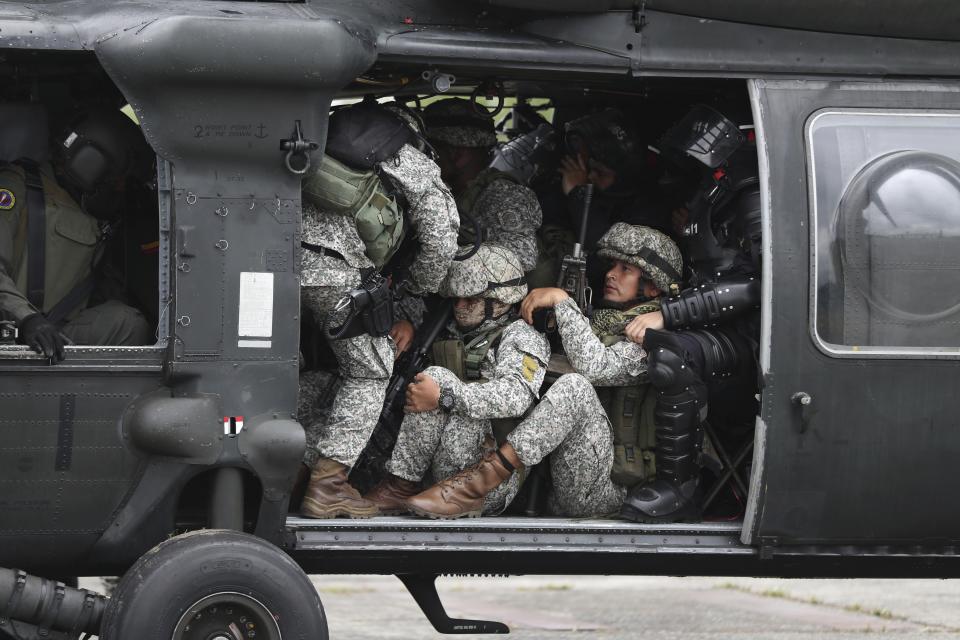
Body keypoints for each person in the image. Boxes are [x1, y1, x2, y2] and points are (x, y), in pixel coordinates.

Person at [404, 224, 683, 519]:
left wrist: (562, 302)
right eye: (612, 265)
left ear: (653, 286)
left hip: (607, 490)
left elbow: (596, 367)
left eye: (626, 269)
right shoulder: (602, 321)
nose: (612, 274)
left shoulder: (656, 338)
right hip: (555, 481)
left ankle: (478, 485)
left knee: (574, 387)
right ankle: (412, 484)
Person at [299, 101, 460, 519]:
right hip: (336, 271)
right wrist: (415, 289)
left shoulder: (321, 132)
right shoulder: (404, 153)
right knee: (369, 370)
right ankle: (328, 484)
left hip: (270, 258)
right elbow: (442, 238)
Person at [619, 104, 762, 523]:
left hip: (747, 341)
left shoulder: (748, 196)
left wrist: (670, 313)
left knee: (671, 354)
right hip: (717, 328)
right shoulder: (715, 194)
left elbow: (755, 284)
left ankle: (679, 488)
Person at [363, 244, 550, 517]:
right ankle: (396, 484)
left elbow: (516, 397)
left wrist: (445, 395)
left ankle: (400, 486)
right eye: (456, 299)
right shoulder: (451, 327)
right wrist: (407, 325)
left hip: (486, 481)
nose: (459, 307)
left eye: (470, 299)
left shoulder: (520, 336)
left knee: (436, 378)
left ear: (498, 302)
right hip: (441, 467)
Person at [0, 106, 153, 362]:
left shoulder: (96, 221)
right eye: (116, 182)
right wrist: (26, 318)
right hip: (12, 328)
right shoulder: (16, 189)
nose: (119, 191)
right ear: (90, 164)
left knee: (127, 322)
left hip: (54, 334)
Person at [532, 108, 673, 290]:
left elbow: (607, 250)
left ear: (622, 175)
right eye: (589, 169)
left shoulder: (647, 211)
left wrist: (578, 194)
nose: (589, 177)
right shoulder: (593, 195)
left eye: (600, 172)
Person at [422, 98, 543, 272]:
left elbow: (523, 259)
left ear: (458, 155)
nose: (426, 158)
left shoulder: (503, 196)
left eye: (432, 150)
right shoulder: (456, 191)